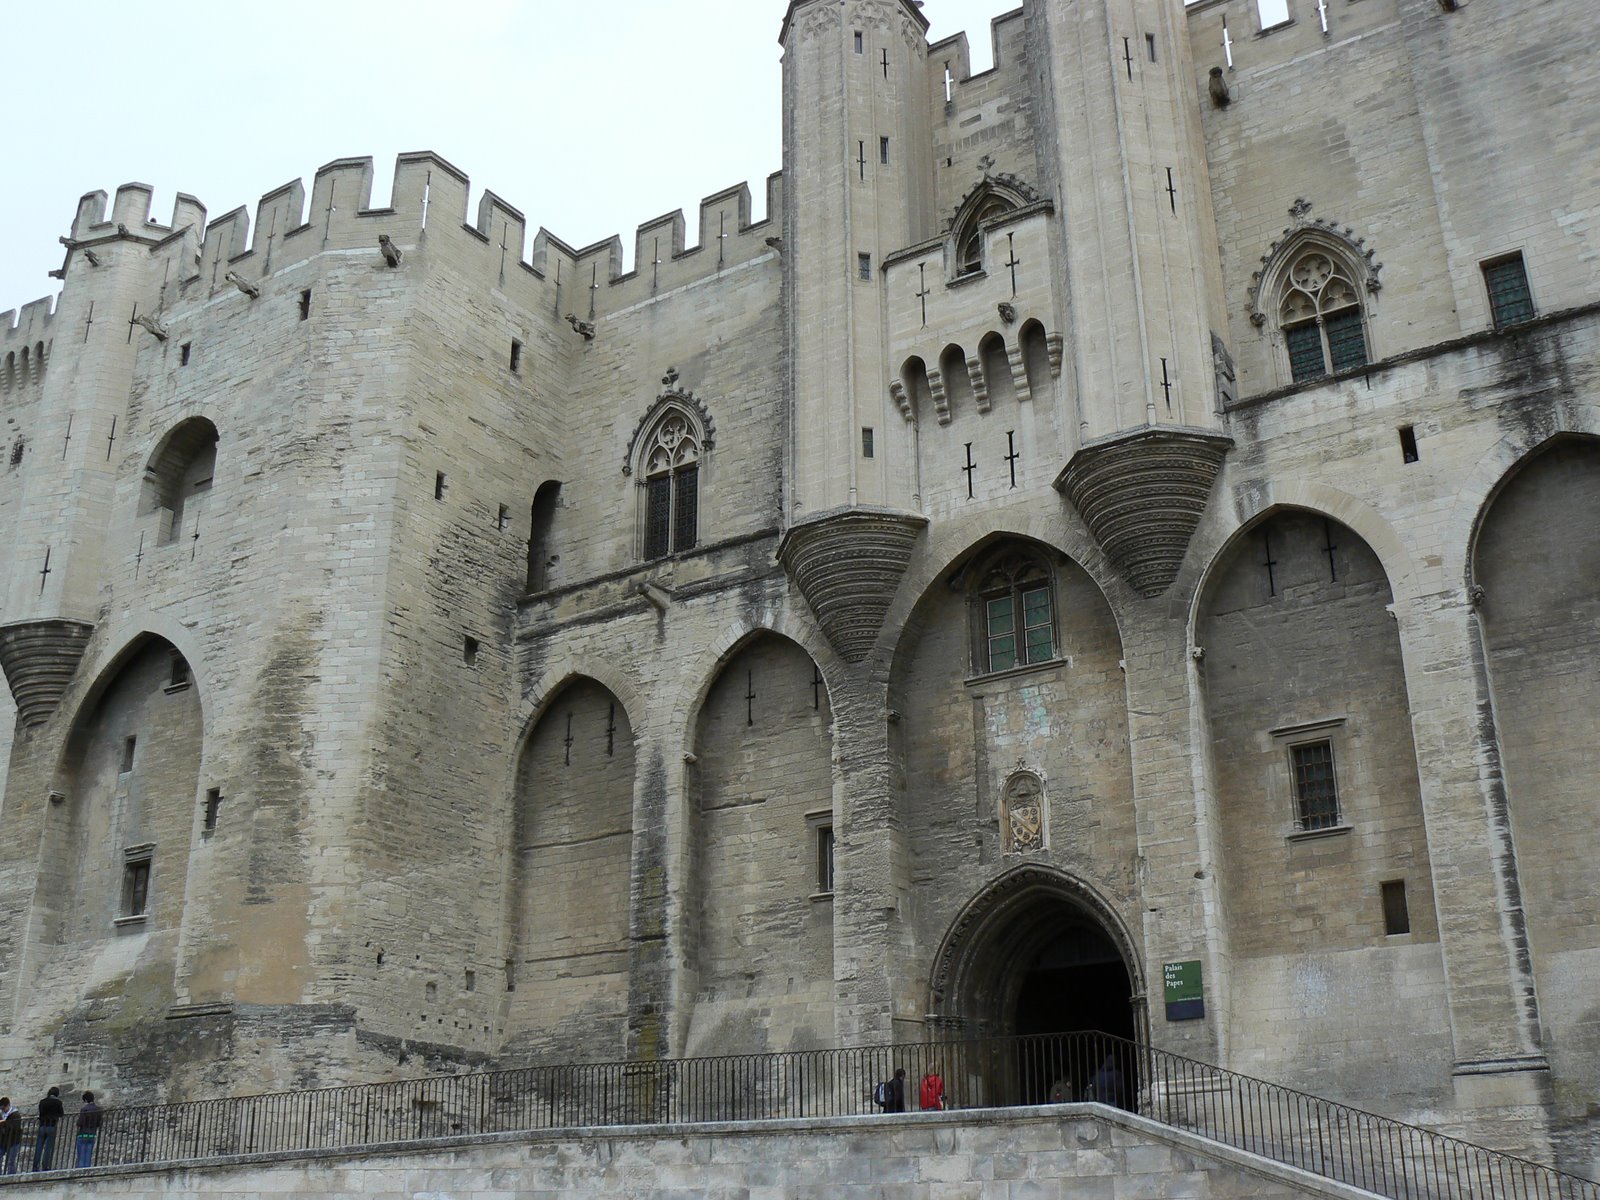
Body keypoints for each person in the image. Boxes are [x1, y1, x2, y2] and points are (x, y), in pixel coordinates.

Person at [32, 1087, 63, 1172]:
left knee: (39, 1147)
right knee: (48, 1148)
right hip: (52, 1125)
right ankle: (45, 1166)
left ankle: (35, 1166)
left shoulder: (42, 1101)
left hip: (42, 1125)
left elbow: (41, 1112)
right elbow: (61, 1113)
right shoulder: (58, 1102)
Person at [75, 1092, 101, 1169]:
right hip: (92, 1134)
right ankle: (87, 1169)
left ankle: (80, 1170)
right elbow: (99, 1123)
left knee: (81, 1155)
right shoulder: (98, 1110)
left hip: (83, 1133)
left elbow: (80, 1122)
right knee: (88, 1154)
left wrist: (77, 1123)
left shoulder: (84, 1109)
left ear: (86, 1100)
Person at [0, 1097, 20, 1175]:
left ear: (8, 1105)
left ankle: (11, 1176)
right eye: (1, 1108)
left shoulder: (15, 1115)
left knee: (11, 1161)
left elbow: (15, 1128)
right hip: (3, 1141)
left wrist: (4, 1123)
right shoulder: (1, 1114)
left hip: (13, 1141)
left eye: (3, 1108)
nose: (3, 1110)